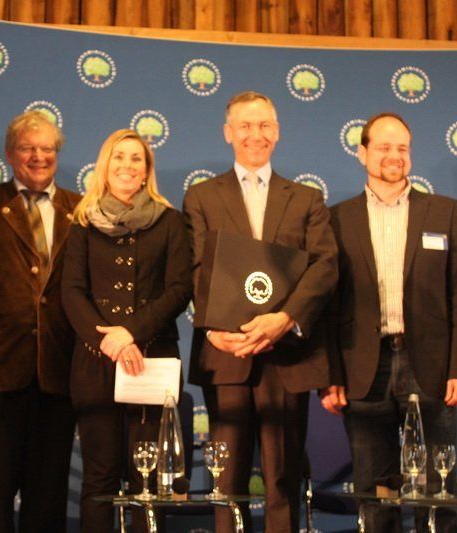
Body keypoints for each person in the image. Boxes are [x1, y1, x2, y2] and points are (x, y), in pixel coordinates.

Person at [183, 91, 338, 532]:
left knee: (282, 481)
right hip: (225, 352)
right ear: (228, 133)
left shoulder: (306, 199)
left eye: (265, 125)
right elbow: (194, 267)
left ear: (278, 132)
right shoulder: (201, 197)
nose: (256, 134)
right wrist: (213, 330)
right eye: (246, 126)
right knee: (226, 483)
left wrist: (284, 319)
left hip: (287, 356)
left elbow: (324, 267)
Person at [323, 112, 457, 532]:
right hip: (363, 368)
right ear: (362, 153)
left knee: (437, 489)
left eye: (402, 148)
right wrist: (330, 376)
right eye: (384, 147)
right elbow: (328, 305)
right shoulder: (336, 218)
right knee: (376, 493)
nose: (394, 155)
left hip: (431, 367)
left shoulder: (444, 212)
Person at [62, 128, 193, 532]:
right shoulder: (82, 223)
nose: (127, 165)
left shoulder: (170, 222)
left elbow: (179, 289)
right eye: (119, 157)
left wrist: (130, 333)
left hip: (152, 362)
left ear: (147, 170)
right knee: (99, 479)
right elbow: (72, 292)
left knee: (147, 482)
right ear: (105, 165)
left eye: (136, 158)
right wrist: (110, 342)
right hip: (96, 363)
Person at [0, 111, 81, 532]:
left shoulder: (81, 210)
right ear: (10, 154)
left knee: (47, 498)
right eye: (28, 148)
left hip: (58, 372)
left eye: (47, 148)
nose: (38, 156)